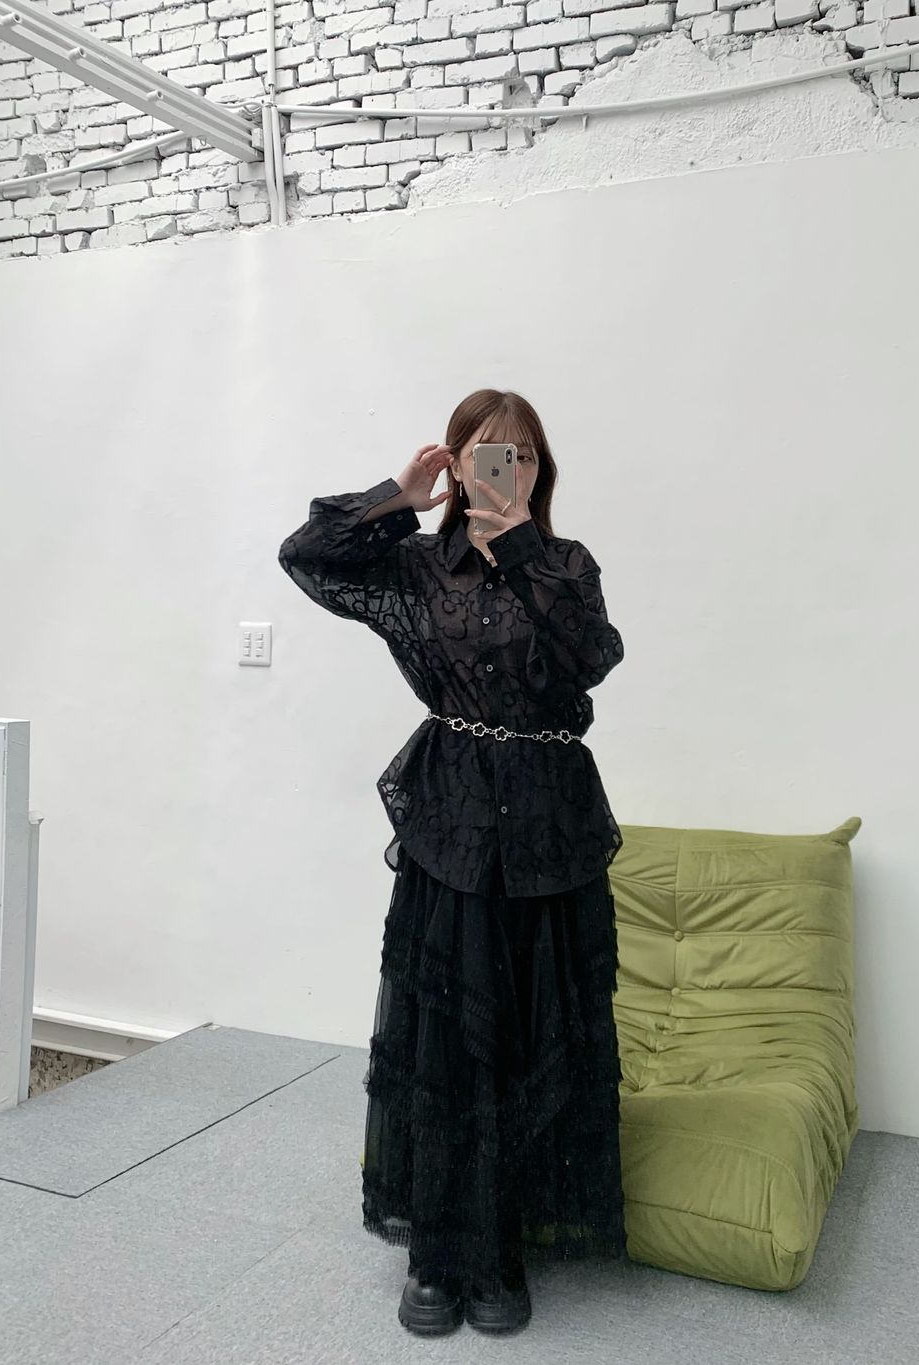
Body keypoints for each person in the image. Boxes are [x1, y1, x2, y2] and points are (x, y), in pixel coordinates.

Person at [278, 389, 628, 1336]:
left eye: (520, 454)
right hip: (453, 820)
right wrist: (395, 496)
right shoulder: (417, 570)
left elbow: (592, 658)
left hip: (549, 826)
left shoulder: (565, 564)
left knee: (532, 1031)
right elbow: (306, 557)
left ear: (539, 471)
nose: (502, 467)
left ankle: (503, 1241)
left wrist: (521, 549)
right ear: (457, 463)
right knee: (444, 1036)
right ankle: (437, 1247)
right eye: (484, 452)